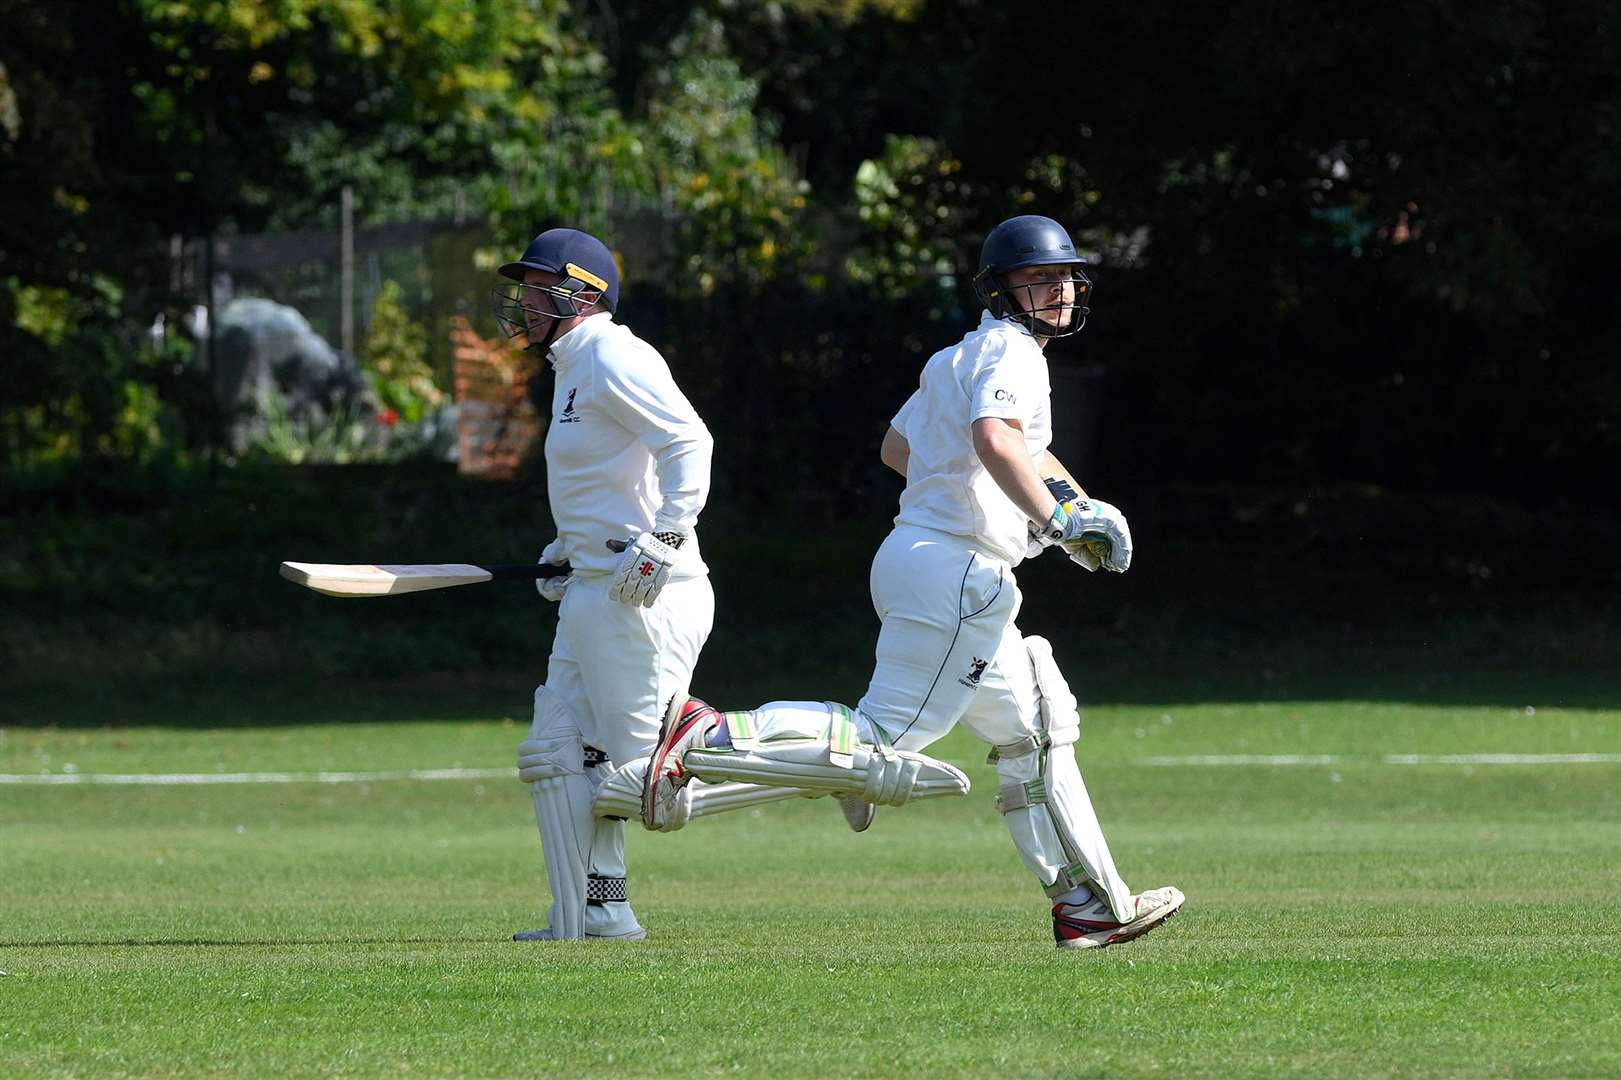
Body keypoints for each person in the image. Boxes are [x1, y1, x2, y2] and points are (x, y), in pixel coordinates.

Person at [641, 215, 1184, 949]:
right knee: (879, 739)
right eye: (1039, 279)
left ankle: (1085, 903)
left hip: (922, 557)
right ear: (1001, 291)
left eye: (1064, 277)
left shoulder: (953, 358)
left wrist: (1071, 509)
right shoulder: (1013, 354)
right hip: (958, 573)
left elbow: (902, 450)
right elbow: (996, 440)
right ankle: (711, 732)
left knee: (1033, 731)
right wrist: (1053, 524)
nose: (1058, 290)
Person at [491, 227, 866, 943]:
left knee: (639, 782)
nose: (526, 301)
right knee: (558, 754)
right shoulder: (572, 366)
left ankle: (833, 756)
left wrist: (664, 537)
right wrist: (570, 549)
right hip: (594, 590)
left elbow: (689, 442)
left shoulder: (610, 353)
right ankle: (599, 909)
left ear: (582, 292)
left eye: (539, 287)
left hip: (643, 597)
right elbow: (608, 482)